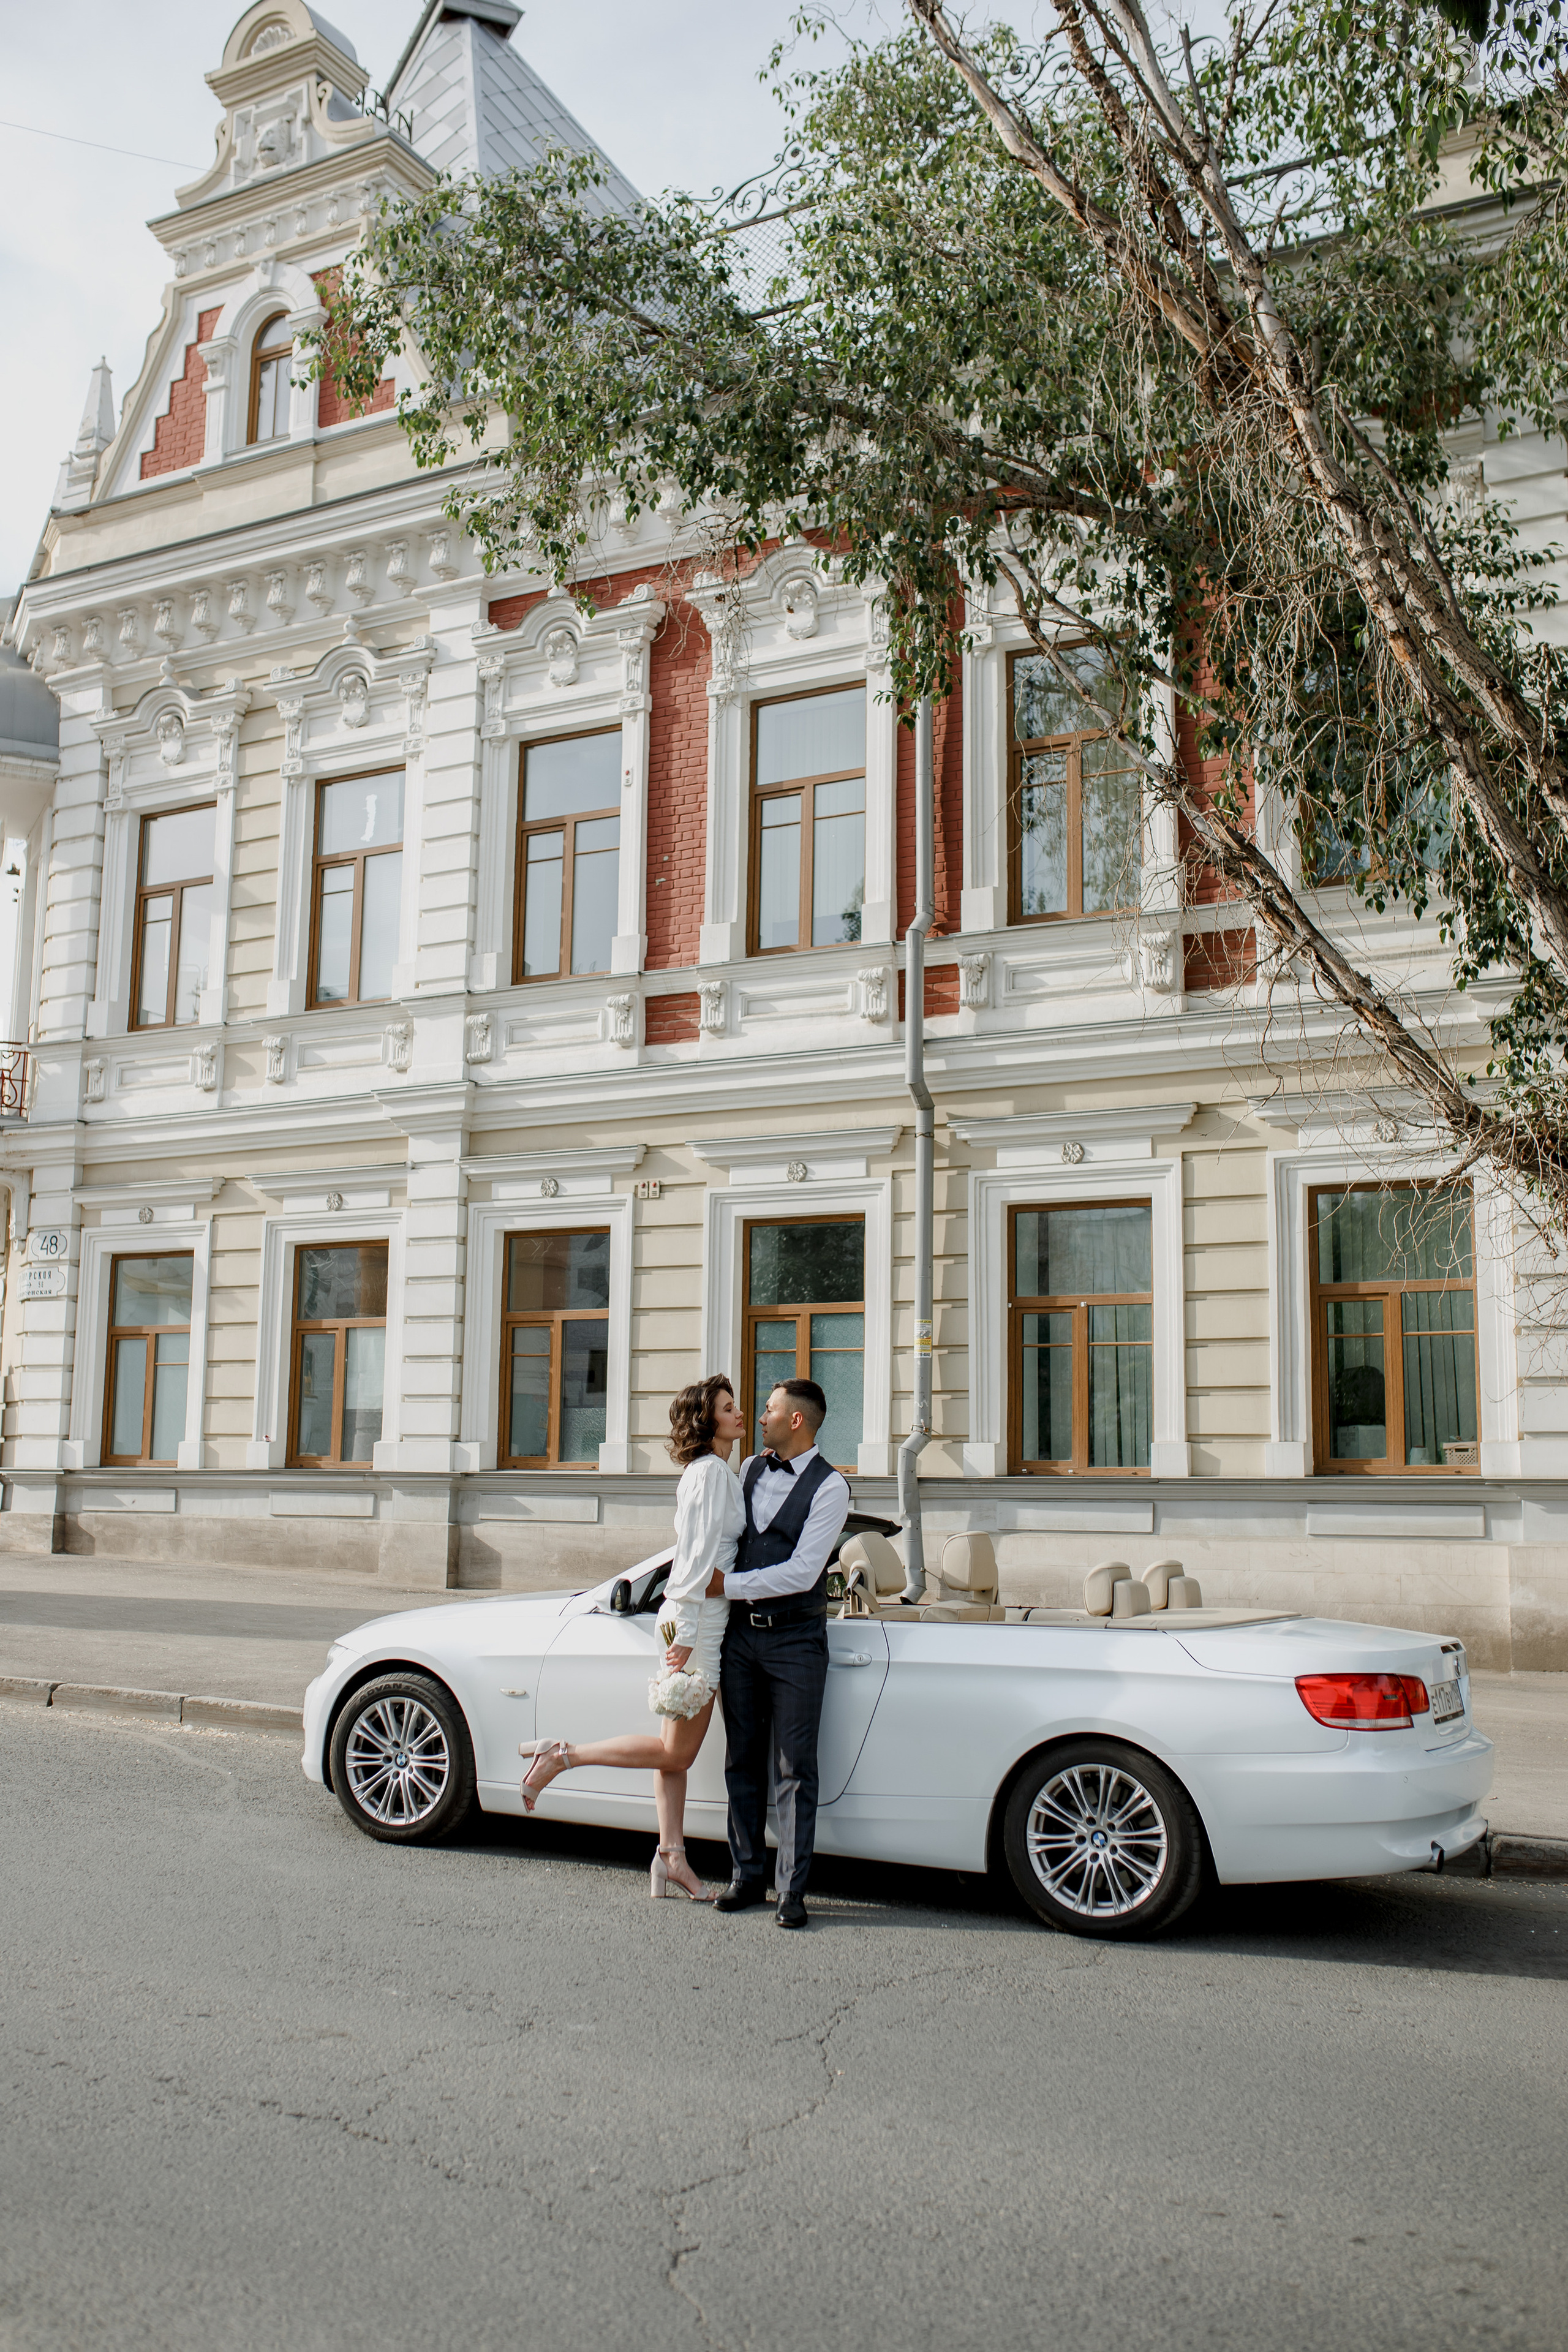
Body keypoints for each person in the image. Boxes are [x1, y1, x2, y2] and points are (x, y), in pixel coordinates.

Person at [516, 1374, 746, 1902]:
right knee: (678, 1754)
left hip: (697, 1619)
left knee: (671, 1755)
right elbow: (692, 1560)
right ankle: (561, 1754)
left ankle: (671, 1857)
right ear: (708, 1422)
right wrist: (686, 1634)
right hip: (701, 1624)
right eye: (729, 1408)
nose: (740, 1414)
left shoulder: (716, 1470)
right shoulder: (710, 1474)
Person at [714, 1378, 851, 1931]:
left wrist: (725, 1586)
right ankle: (746, 1876)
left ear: (796, 1420)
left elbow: (801, 1574)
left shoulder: (831, 1487)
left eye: (768, 1409)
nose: (759, 1416)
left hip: (796, 1641)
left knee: (795, 1769)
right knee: (741, 1760)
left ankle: (791, 1891)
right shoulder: (748, 1469)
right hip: (741, 1639)